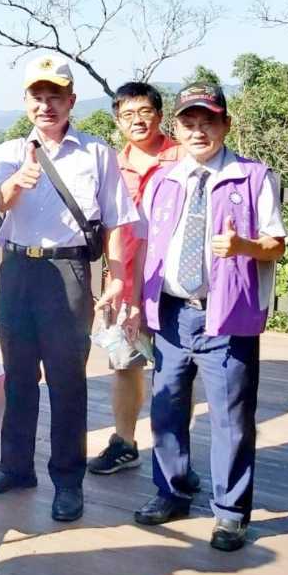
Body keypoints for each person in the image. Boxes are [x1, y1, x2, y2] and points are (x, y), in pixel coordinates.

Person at [0, 55, 137, 522]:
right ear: (25, 102)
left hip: (69, 274)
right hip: (18, 270)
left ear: (70, 101)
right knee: (18, 377)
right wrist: (16, 185)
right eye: (37, 97)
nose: (46, 105)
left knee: (68, 381)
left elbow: (117, 220)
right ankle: (15, 467)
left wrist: (119, 275)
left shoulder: (96, 153)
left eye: (55, 97)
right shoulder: (8, 153)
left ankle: (68, 481)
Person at [132, 82, 285, 552]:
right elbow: (145, 247)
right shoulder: (163, 180)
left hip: (226, 316)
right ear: (176, 127)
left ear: (225, 125)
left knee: (231, 418)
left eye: (208, 121)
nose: (198, 131)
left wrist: (243, 247)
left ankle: (231, 514)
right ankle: (172, 491)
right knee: (166, 408)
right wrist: (137, 304)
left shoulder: (253, 177)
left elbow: (276, 245)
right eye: (189, 122)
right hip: (172, 315)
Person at [88, 82, 190, 477]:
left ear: (160, 116)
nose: (137, 121)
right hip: (127, 282)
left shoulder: (184, 158)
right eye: (128, 114)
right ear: (117, 120)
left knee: (178, 370)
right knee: (125, 363)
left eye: (145, 112)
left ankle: (177, 455)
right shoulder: (113, 165)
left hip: (174, 283)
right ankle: (125, 442)